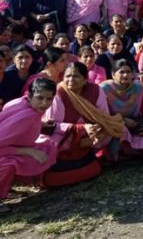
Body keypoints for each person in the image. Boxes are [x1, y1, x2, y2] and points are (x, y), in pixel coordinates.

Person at [43, 62, 124, 186]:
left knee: (112, 128)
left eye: (76, 76)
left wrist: (95, 129)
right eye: (67, 76)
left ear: (85, 79)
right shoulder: (58, 93)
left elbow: (104, 117)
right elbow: (52, 125)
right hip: (64, 137)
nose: (71, 80)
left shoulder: (96, 90)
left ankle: (108, 158)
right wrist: (81, 129)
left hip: (90, 135)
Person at [0, 78, 58, 210]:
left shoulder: (20, 102)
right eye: (40, 98)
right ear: (30, 95)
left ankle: (8, 185)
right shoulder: (27, 117)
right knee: (9, 165)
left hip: (9, 146)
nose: (44, 103)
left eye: (49, 99)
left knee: (47, 145)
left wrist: (40, 123)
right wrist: (29, 151)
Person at [100, 60, 143, 160]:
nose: (125, 75)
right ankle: (117, 155)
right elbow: (102, 112)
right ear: (113, 74)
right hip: (111, 121)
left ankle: (134, 153)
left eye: (128, 72)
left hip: (134, 121)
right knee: (120, 128)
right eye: (121, 72)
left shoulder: (137, 88)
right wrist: (123, 119)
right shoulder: (104, 89)